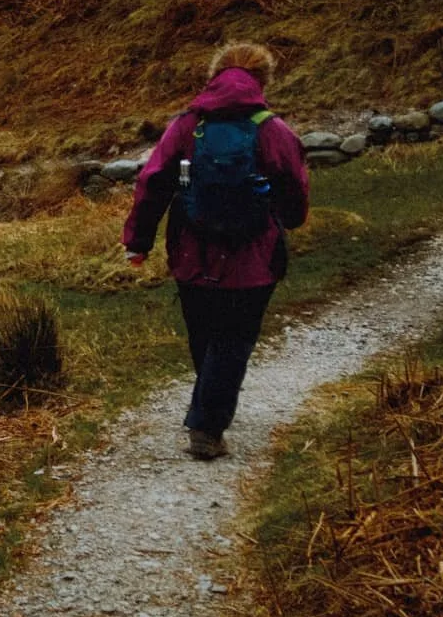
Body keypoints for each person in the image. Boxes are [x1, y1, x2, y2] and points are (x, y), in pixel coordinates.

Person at [122, 43, 310, 460]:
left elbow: (153, 181)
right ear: (263, 81)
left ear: (213, 76)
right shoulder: (272, 129)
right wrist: (290, 219)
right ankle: (207, 427)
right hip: (252, 257)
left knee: (205, 334)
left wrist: (138, 242)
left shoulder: (187, 125)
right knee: (234, 338)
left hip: (193, 253)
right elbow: (294, 184)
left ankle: (210, 404)